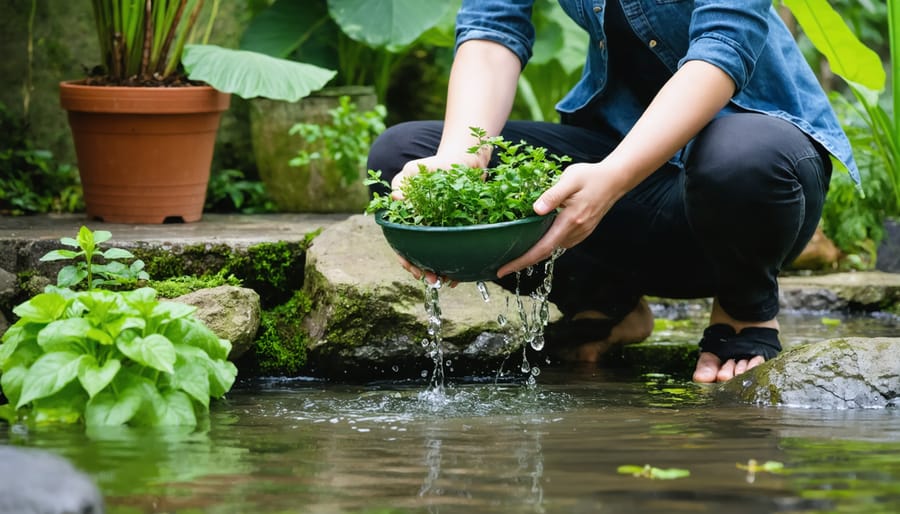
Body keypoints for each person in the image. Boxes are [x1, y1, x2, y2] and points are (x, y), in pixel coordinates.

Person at [366, 0, 859, 383]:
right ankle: (607, 303)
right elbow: (493, 28)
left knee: (739, 157)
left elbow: (724, 46)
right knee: (402, 156)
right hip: (631, 181)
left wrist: (613, 177)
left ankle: (743, 311)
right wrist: (457, 167)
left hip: (753, 180)